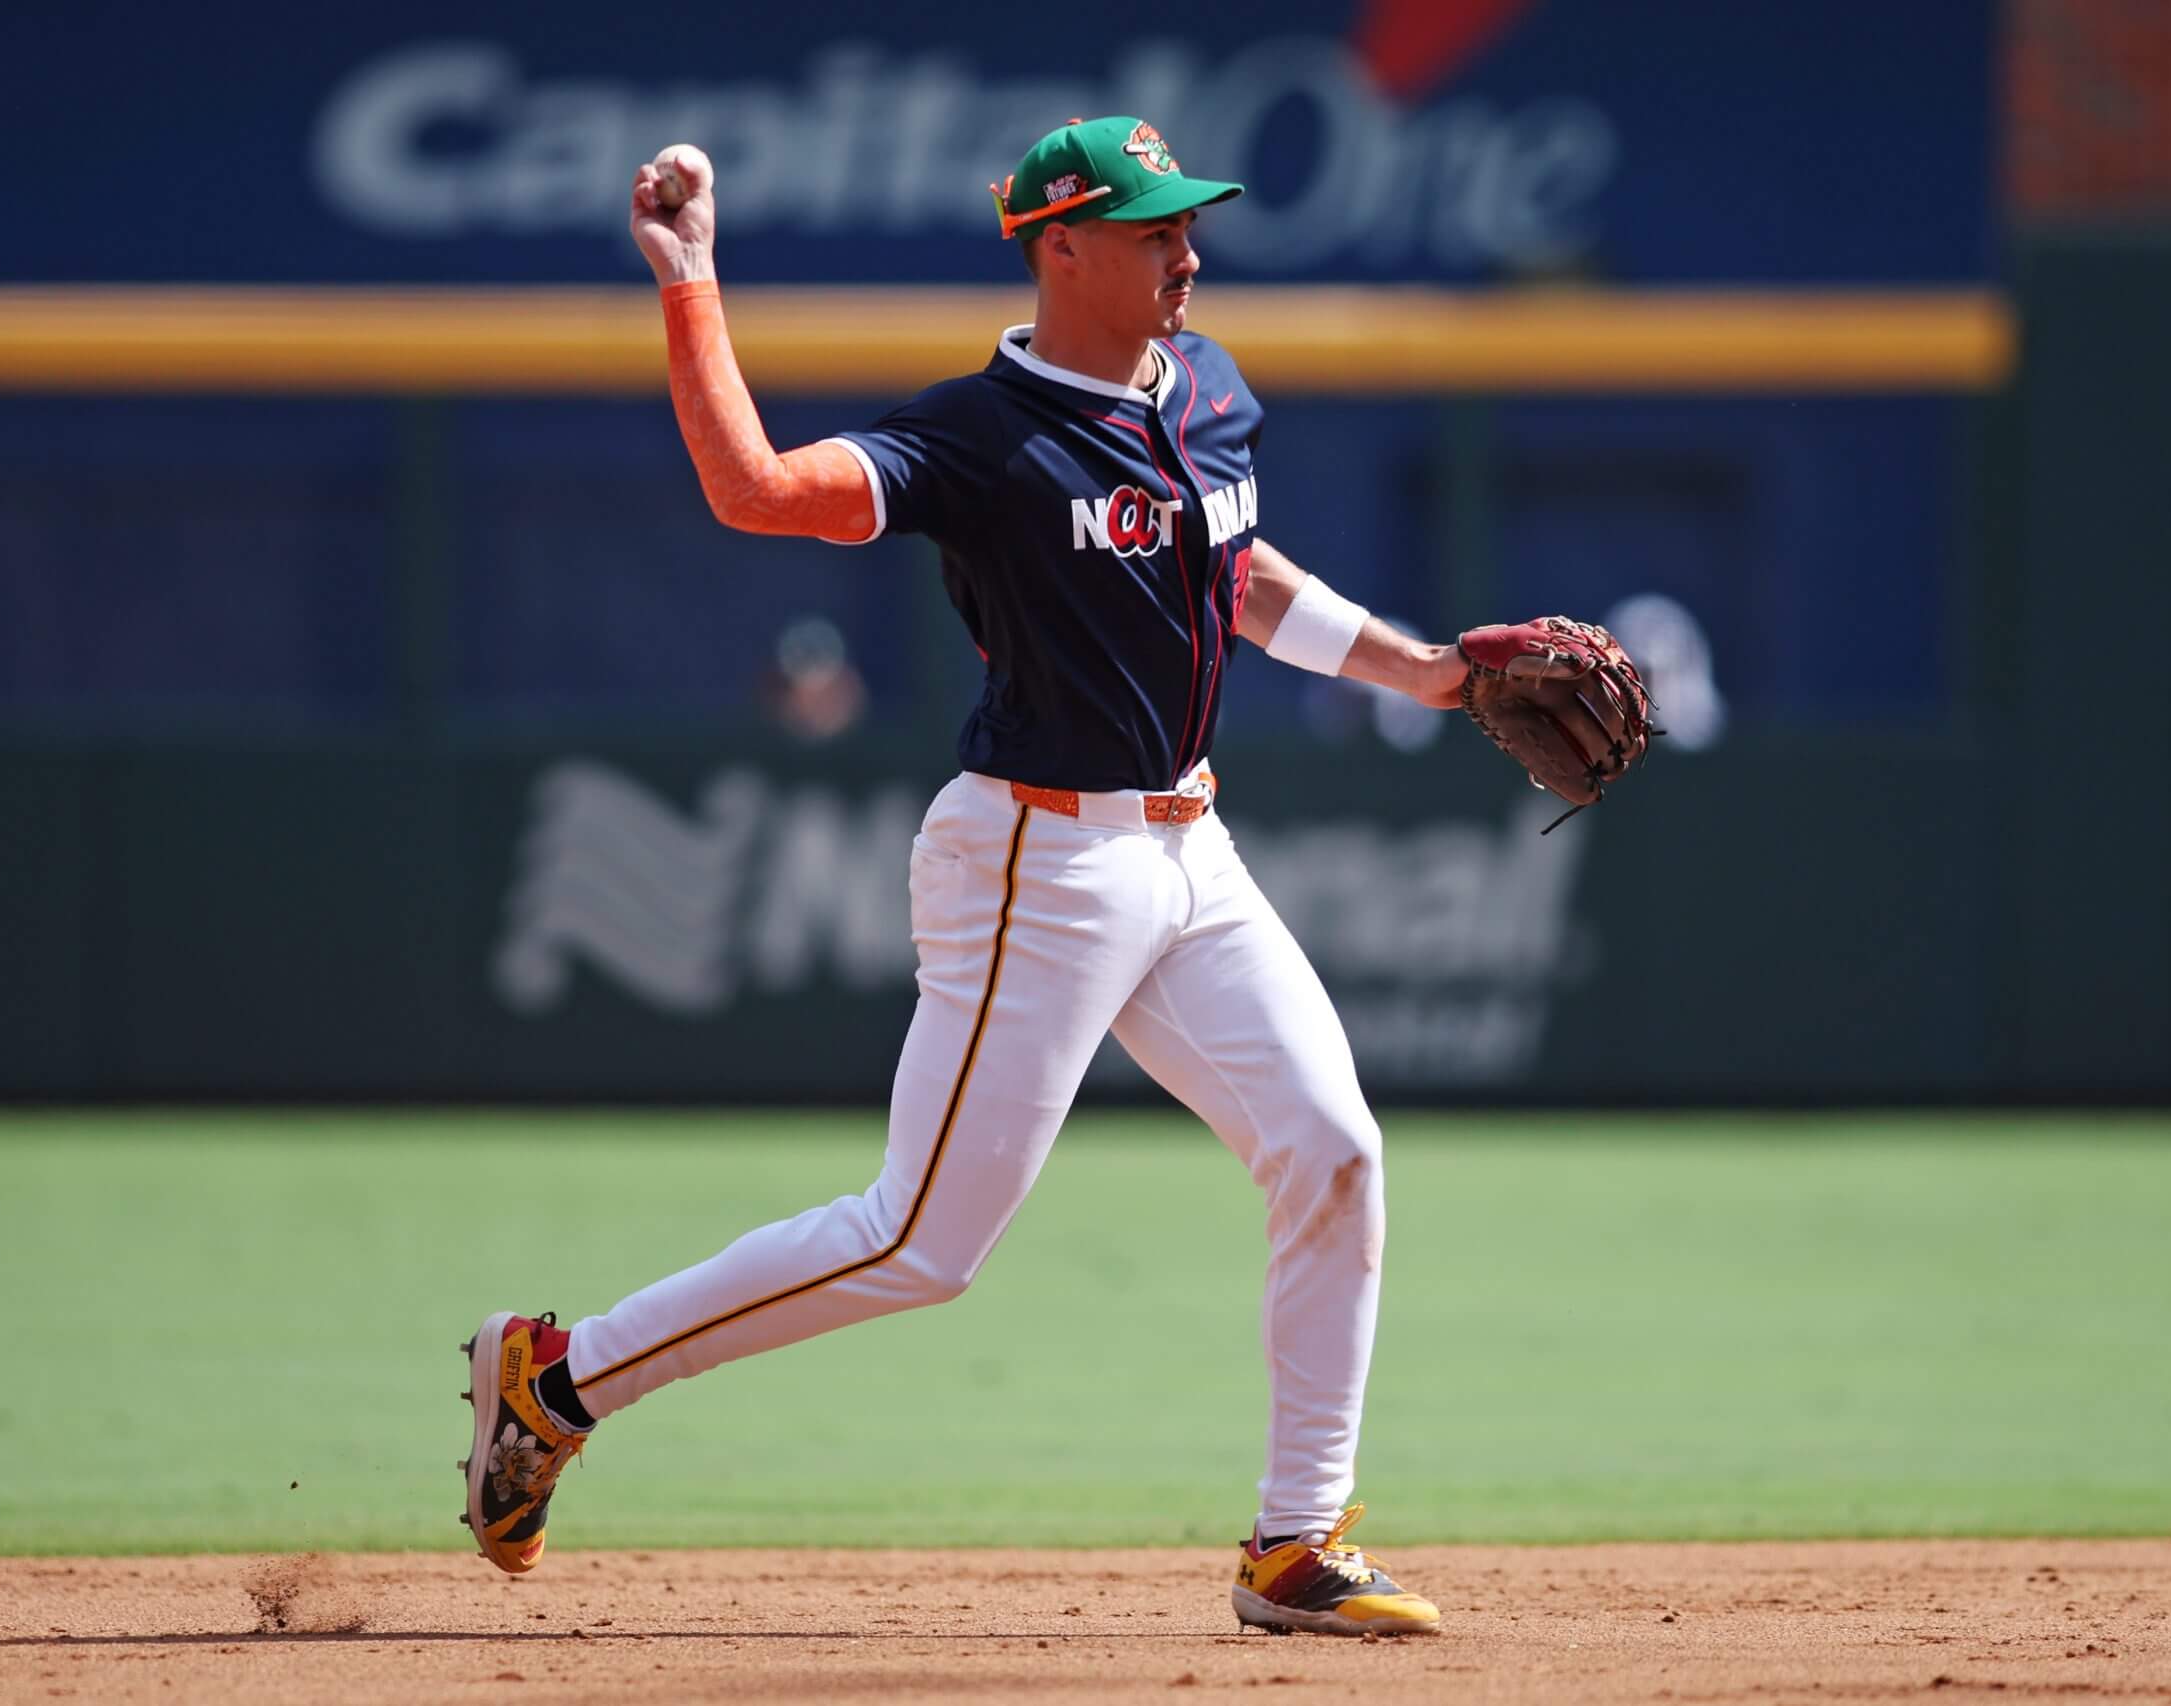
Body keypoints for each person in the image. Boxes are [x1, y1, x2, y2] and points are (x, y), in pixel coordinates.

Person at [462, 116, 1509, 1638]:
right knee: (918, 1243)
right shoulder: (982, 436)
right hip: (1037, 856)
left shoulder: (1208, 390)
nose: (1189, 253)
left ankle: (1298, 1541)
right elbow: (754, 491)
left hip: (1190, 848)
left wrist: (1422, 671)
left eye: (1188, 226)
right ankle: (555, 1379)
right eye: (1154, 232)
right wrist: (691, 278)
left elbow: (1238, 569)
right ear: (1060, 247)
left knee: (1336, 1149)